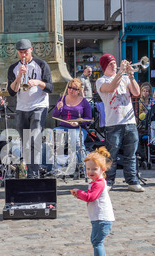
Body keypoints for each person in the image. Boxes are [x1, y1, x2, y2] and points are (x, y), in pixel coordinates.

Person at [95, 53, 144, 192]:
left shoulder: (124, 78)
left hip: (129, 121)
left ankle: (132, 181)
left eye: (115, 63)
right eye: (111, 64)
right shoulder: (101, 81)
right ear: (105, 66)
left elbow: (136, 92)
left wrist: (131, 76)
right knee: (111, 155)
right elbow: (110, 88)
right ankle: (109, 181)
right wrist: (121, 72)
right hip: (113, 123)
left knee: (131, 154)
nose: (114, 66)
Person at [7, 39, 53, 178]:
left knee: (35, 139)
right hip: (22, 108)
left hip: (39, 106)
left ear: (31, 50)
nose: (23, 55)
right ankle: (30, 170)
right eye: (21, 53)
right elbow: (12, 92)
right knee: (25, 142)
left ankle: (34, 174)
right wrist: (19, 76)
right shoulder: (13, 68)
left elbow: (50, 88)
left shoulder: (41, 64)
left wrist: (38, 82)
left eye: (25, 52)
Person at [70, 147, 114, 256]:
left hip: (101, 218)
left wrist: (79, 192)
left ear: (102, 169)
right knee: (97, 241)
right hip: (99, 217)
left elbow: (91, 197)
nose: (90, 171)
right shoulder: (97, 181)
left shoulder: (98, 183)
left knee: (96, 241)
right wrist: (79, 194)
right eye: (88, 169)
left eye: (94, 169)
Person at [52, 78, 92, 171]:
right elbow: (55, 115)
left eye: (74, 89)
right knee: (53, 136)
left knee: (78, 141)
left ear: (79, 91)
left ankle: (82, 165)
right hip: (63, 127)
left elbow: (88, 119)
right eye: (69, 87)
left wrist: (78, 123)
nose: (71, 90)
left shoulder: (84, 102)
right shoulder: (62, 99)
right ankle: (58, 166)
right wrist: (58, 108)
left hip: (79, 128)